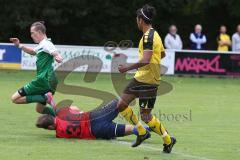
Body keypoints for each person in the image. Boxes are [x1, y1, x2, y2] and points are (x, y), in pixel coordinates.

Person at [117, 4, 176, 153]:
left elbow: (146, 59)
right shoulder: (155, 34)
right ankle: (167, 140)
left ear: (141, 20)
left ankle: (142, 132)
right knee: (145, 115)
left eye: (137, 19)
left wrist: (126, 68)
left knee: (122, 105)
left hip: (144, 78)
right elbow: (161, 54)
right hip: (152, 79)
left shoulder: (148, 37)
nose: (136, 22)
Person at [10, 21, 63, 116]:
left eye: (32, 33)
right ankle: (60, 117)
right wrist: (19, 45)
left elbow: (54, 51)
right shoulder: (42, 44)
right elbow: (33, 51)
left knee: (14, 98)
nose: (31, 35)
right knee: (40, 109)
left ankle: (44, 98)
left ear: (39, 32)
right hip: (51, 80)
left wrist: (58, 56)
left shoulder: (46, 44)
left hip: (43, 79)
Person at [36, 99, 149, 140]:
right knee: (119, 102)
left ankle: (145, 131)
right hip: (94, 116)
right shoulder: (62, 113)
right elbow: (76, 109)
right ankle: (141, 93)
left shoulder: (60, 134)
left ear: (50, 127)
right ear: (51, 117)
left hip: (97, 131)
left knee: (127, 129)